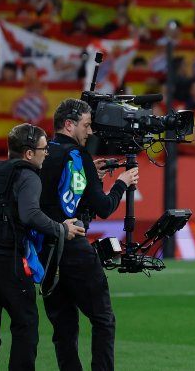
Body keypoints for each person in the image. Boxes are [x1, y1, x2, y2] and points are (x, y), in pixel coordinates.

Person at [0, 123, 85, 371]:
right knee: (25, 324)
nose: (46, 153)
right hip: (3, 258)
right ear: (29, 153)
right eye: (44, 148)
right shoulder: (27, 174)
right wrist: (62, 229)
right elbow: (30, 215)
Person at [37, 98, 138, 371]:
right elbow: (103, 207)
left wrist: (92, 174)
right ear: (69, 125)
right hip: (72, 246)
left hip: (45, 250)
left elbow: (55, 195)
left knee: (64, 326)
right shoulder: (78, 156)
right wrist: (120, 183)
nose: (90, 131)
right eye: (86, 124)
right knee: (103, 318)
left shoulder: (42, 153)